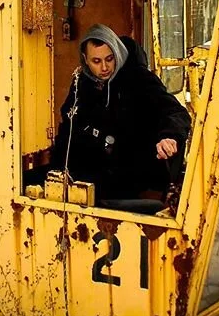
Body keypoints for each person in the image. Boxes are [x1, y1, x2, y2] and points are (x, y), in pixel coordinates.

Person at [52, 24, 191, 204]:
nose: (104, 67)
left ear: (117, 52)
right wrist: (57, 170)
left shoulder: (139, 79)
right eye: (96, 61)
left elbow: (176, 112)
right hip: (89, 179)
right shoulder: (81, 84)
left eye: (109, 59)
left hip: (134, 179)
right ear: (85, 60)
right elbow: (68, 129)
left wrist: (170, 137)